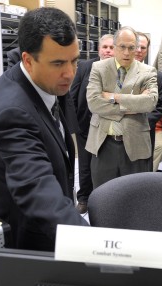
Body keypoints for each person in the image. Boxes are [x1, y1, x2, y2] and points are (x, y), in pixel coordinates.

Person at [0, 7, 89, 251]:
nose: (70, 73)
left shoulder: (43, 81)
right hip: (31, 240)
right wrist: (98, 247)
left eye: (74, 61)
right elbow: (39, 192)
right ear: (28, 60)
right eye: (59, 63)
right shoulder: (13, 112)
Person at [85, 26, 158, 188]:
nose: (126, 52)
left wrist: (114, 97)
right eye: (122, 47)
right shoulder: (99, 68)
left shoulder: (148, 71)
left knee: (135, 198)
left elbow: (150, 103)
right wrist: (133, 104)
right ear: (115, 46)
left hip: (135, 143)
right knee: (103, 197)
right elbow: (94, 103)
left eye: (131, 48)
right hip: (103, 144)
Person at [70, 34, 114, 214]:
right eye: (105, 47)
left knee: (105, 166)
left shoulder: (119, 70)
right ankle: (84, 198)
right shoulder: (85, 67)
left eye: (112, 47)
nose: (108, 51)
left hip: (109, 127)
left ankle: (105, 198)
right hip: (86, 126)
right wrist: (74, 126)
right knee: (86, 166)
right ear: (99, 49)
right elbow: (72, 97)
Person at [135, 32, 162, 170]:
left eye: (143, 48)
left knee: (143, 172)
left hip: (146, 131)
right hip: (120, 134)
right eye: (136, 46)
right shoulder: (116, 73)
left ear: (147, 50)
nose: (138, 50)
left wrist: (143, 120)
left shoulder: (156, 76)